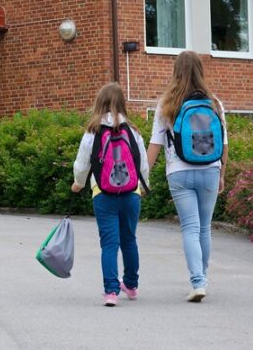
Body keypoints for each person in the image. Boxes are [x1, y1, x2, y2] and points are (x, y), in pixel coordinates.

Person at [147, 51, 228, 303]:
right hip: (210, 171)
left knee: (190, 228)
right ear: (200, 71)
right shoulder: (214, 103)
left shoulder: (167, 103)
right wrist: (222, 174)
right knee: (204, 228)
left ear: (176, 71)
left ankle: (197, 282)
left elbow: (155, 145)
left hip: (179, 172)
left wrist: (143, 178)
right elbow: (224, 145)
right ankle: (201, 279)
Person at [72, 83, 149, 307]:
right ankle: (132, 286)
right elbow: (142, 164)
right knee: (129, 240)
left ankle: (111, 292)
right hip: (131, 192)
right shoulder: (133, 131)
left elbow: (82, 163)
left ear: (99, 103)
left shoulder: (93, 132)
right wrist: (142, 187)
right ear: (122, 103)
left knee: (109, 243)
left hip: (103, 194)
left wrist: (78, 183)